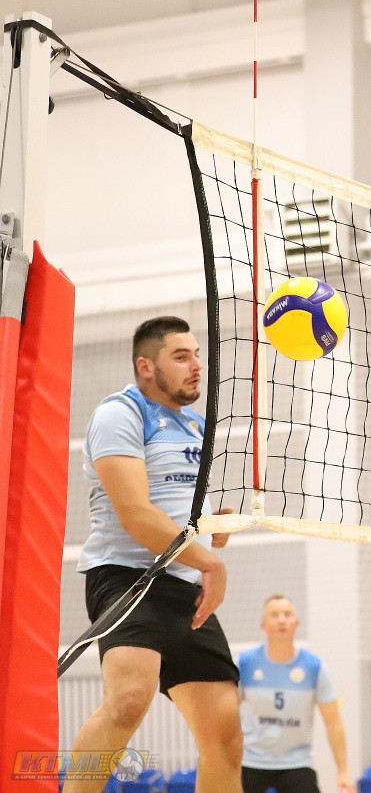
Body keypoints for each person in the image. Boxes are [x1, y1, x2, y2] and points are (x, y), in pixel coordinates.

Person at [67, 316, 241, 793]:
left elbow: (180, 505)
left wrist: (213, 524)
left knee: (225, 735)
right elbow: (136, 514)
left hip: (185, 586)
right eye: (181, 357)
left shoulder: (197, 426)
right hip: (128, 578)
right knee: (127, 701)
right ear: (146, 366)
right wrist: (209, 560)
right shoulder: (120, 413)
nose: (197, 366)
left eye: (197, 355)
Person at [239, 595, 355, 793]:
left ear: (297, 623)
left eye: (287, 614)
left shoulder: (314, 667)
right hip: (250, 760)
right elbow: (227, 716)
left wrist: (343, 771)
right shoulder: (245, 663)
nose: (282, 620)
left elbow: (333, 722)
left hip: (297, 762)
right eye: (274, 615)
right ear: (263, 625)